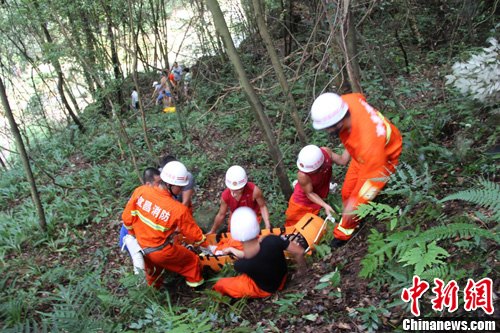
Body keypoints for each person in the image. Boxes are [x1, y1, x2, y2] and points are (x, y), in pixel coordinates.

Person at [310, 92, 403, 248]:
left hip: (381, 161)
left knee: (355, 203)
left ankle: (343, 235)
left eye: (327, 128)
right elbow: (361, 96)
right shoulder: (347, 101)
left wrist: (355, 205)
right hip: (361, 156)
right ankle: (352, 219)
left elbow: (373, 179)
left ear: (338, 123)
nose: (327, 132)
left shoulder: (368, 140)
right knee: (346, 193)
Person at [122, 161, 206, 288]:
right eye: (180, 187)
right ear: (170, 185)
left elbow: (127, 218)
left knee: (154, 273)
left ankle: (153, 294)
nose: (182, 190)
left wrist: (134, 235)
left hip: (141, 247)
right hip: (160, 252)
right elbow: (194, 234)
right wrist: (207, 245)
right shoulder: (177, 209)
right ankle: (198, 287)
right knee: (191, 261)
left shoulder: (141, 191)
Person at [213, 207, 306, 298]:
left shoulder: (241, 265)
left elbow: (250, 256)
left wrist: (231, 249)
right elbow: (299, 252)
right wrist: (302, 271)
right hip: (283, 276)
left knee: (220, 284)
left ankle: (218, 298)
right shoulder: (272, 239)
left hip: (266, 289)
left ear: (237, 237)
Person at [284, 145, 349, 227]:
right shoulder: (302, 175)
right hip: (302, 202)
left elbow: (343, 160)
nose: (308, 172)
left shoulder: (326, 153)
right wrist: (325, 205)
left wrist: (351, 143)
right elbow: (309, 193)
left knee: (316, 225)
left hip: (320, 196)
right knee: (293, 225)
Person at [119, 167, 162, 273]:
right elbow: (128, 219)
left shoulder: (148, 194)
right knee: (142, 266)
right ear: (148, 184)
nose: (161, 186)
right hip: (131, 236)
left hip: (141, 235)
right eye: (158, 183)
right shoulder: (142, 196)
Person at [208, 165, 271, 234]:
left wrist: (267, 225)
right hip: (236, 217)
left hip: (253, 215)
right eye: (233, 189)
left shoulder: (254, 191)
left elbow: (262, 206)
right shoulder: (226, 196)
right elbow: (221, 215)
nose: (235, 192)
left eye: (239, 189)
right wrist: (213, 231)